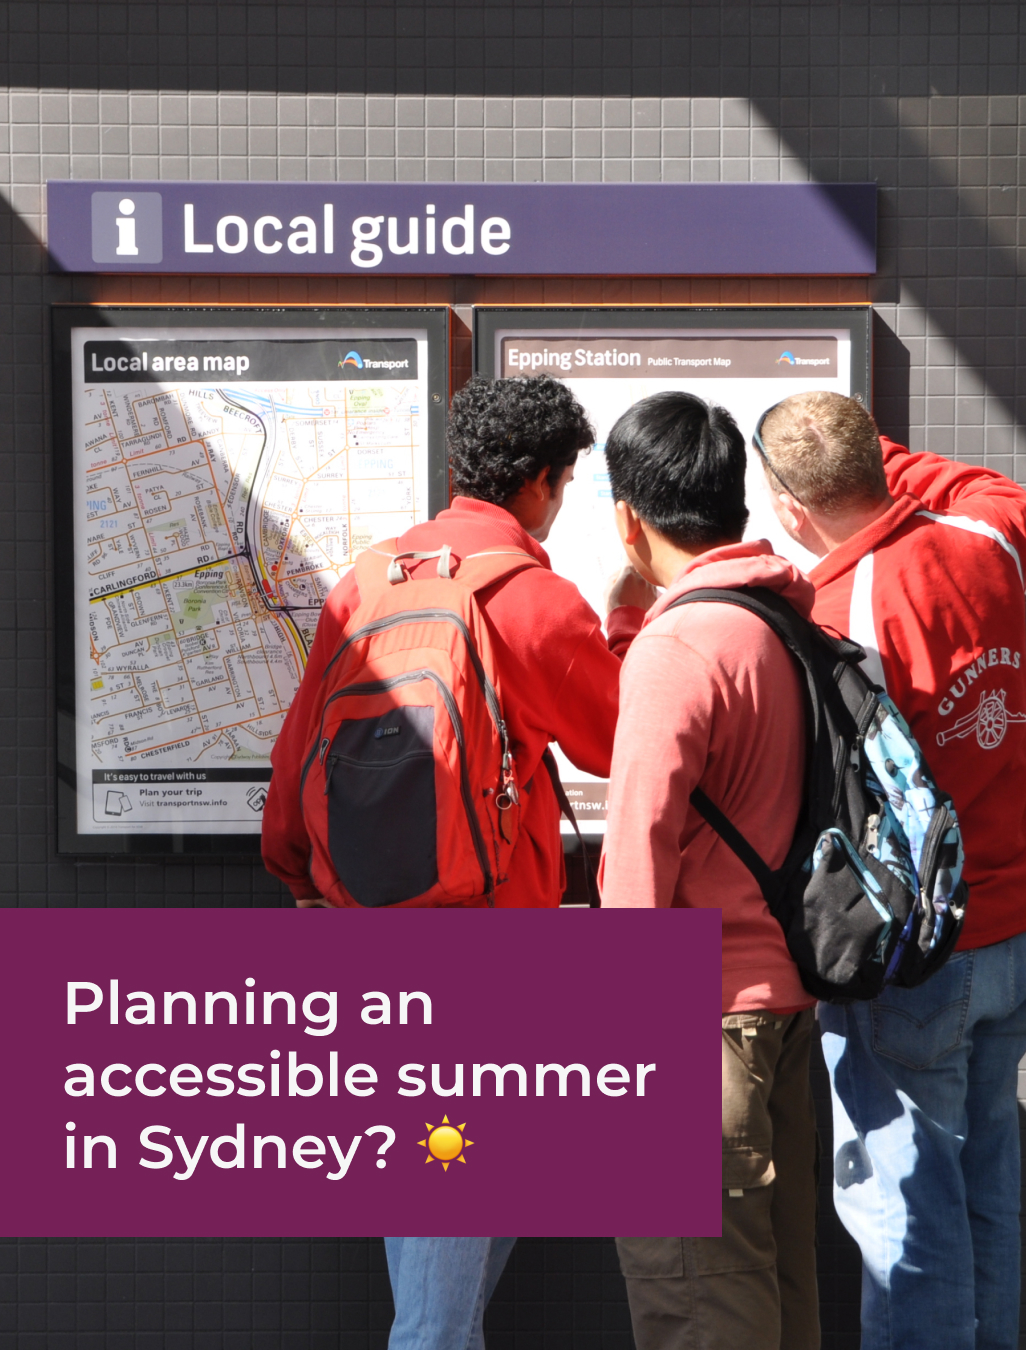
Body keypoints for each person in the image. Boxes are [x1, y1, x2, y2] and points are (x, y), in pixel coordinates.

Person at [263, 374, 649, 1350]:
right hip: (481, 944)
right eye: (565, 486)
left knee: (473, 1179)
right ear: (544, 484)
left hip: (365, 929)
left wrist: (301, 878)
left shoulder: (367, 580)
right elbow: (619, 739)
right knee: (443, 1250)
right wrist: (630, 625)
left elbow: (300, 743)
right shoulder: (527, 596)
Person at [755, 390, 1026, 1350]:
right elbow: (996, 490)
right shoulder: (988, 544)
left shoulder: (839, 613)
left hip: (921, 955)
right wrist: (873, 459)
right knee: (983, 1199)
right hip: (1019, 937)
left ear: (791, 510)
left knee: (903, 1217)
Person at [599, 391, 820, 1350]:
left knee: (698, 1305)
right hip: (782, 1014)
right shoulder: (782, 625)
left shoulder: (680, 646)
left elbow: (639, 843)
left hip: (698, 1025)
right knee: (773, 1289)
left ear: (629, 519)